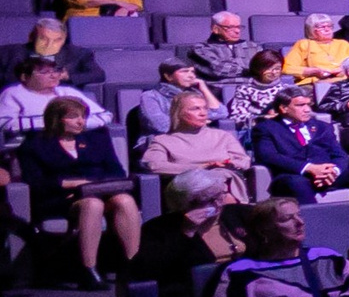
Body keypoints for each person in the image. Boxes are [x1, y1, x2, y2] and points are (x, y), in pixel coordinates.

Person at [16, 94, 141, 286]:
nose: (80, 121)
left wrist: (89, 182)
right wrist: (69, 183)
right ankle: (88, 269)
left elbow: (117, 171)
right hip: (60, 199)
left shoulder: (97, 138)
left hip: (99, 191)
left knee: (124, 200)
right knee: (92, 204)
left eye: (83, 116)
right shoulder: (35, 145)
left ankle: (133, 265)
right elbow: (35, 182)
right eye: (74, 116)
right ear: (57, 118)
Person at [208, 196, 349, 297]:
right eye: (287, 219)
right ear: (264, 230)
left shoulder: (326, 257)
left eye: (299, 215)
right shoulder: (239, 271)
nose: (300, 222)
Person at [137, 89, 253, 202]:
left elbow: (244, 161)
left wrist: (229, 163)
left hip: (224, 183)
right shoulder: (163, 141)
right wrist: (202, 167)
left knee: (224, 193)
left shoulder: (222, 136)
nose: (203, 113)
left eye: (205, 108)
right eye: (195, 109)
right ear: (179, 113)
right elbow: (154, 165)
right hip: (189, 189)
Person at [281, 11, 349, 83]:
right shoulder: (304, 44)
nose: (327, 30)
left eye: (329, 26)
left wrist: (343, 70)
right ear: (311, 30)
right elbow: (286, 68)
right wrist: (313, 71)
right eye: (322, 27)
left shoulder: (342, 44)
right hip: (315, 83)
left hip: (345, 82)